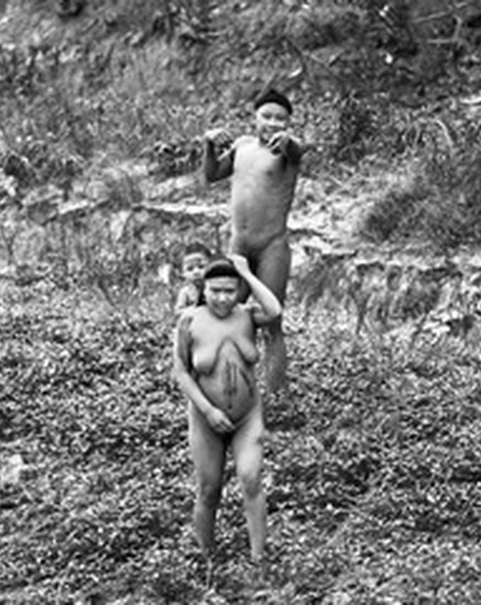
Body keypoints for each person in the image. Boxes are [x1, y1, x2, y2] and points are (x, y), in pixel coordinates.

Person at [171, 255, 282, 570]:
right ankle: (205, 559)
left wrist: (247, 273)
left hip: (248, 416)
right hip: (206, 418)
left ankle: (259, 560)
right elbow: (181, 373)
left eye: (230, 291)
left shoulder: (247, 315)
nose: (222, 298)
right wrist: (208, 411)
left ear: (239, 292)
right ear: (203, 289)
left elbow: (274, 310)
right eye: (215, 290)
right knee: (209, 489)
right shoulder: (189, 320)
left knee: (251, 479)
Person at [202, 88, 302, 394]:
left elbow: (296, 148)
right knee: (224, 316)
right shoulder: (242, 146)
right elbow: (212, 174)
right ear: (254, 118)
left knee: (272, 323)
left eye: (280, 119)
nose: (273, 123)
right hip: (239, 246)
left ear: (288, 123)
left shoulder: (288, 150)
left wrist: (288, 142)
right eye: (267, 116)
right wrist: (208, 144)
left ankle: (277, 395)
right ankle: (221, 386)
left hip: (272, 246)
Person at [174, 242, 212, 312]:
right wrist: (193, 309)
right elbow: (178, 312)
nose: (196, 272)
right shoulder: (185, 292)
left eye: (201, 267)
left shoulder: (216, 287)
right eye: (190, 269)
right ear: (182, 273)